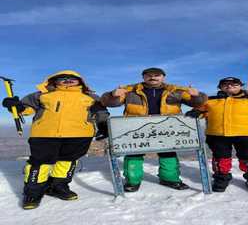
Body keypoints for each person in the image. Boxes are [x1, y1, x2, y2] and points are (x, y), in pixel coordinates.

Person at [2, 70, 109, 209]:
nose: (67, 80)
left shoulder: (91, 97)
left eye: (72, 78)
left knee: (67, 161)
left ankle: (59, 186)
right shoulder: (43, 95)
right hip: (45, 134)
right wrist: (15, 106)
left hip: (79, 135)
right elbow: (25, 108)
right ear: (54, 81)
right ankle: (33, 193)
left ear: (80, 81)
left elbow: (100, 113)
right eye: (63, 78)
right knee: (40, 163)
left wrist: (104, 126)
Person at [101, 67, 207, 192]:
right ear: (143, 77)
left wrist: (197, 96)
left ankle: (170, 179)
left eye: (157, 75)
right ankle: (132, 181)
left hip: (167, 129)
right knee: (134, 154)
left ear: (163, 77)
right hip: (137, 129)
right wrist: (112, 95)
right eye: (148, 75)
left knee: (168, 153)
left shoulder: (176, 90)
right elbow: (107, 102)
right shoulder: (130, 91)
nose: (153, 77)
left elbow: (199, 102)